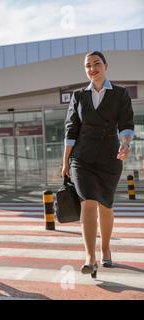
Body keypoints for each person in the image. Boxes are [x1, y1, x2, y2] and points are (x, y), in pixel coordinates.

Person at [62, 51, 134, 278]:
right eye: (88, 65)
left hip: (109, 159)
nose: (92, 68)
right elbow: (70, 130)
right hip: (81, 159)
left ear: (105, 66)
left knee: (106, 206)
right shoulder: (78, 95)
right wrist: (65, 161)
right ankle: (90, 257)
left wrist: (125, 145)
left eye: (96, 64)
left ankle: (106, 249)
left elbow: (126, 124)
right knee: (88, 203)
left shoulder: (120, 94)